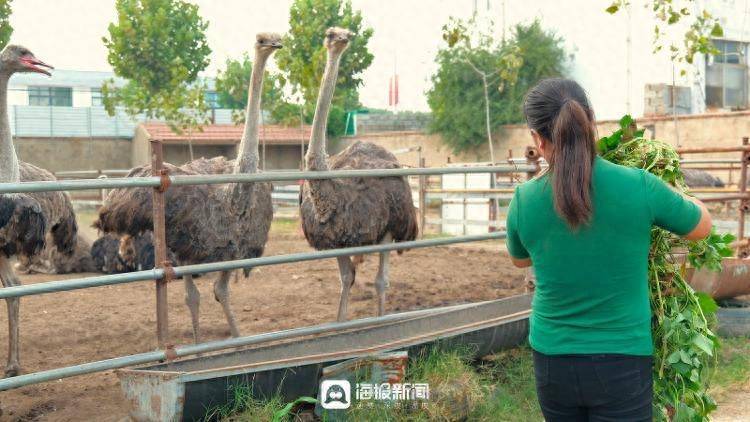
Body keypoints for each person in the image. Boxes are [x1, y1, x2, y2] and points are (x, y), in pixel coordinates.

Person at [505, 78, 712, 421]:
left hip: (552, 360)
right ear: (591, 124)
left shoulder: (524, 200)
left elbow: (519, 259)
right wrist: (669, 189)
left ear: (537, 140)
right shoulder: (639, 185)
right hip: (622, 361)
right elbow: (702, 226)